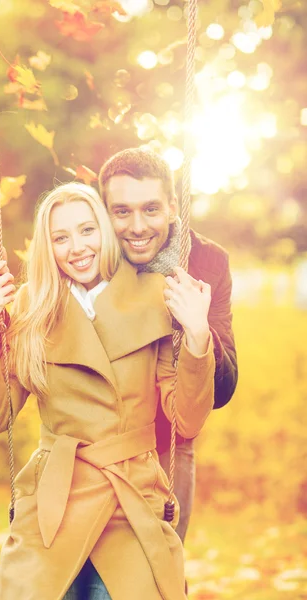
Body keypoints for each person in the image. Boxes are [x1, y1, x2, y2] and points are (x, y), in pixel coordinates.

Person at [0, 182, 215, 600]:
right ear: (48, 246)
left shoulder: (158, 296)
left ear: (104, 231)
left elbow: (187, 418)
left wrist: (197, 335)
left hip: (131, 500)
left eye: (86, 231)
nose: (77, 247)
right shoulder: (32, 306)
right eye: (61, 237)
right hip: (53, 502)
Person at [99, 148, 238, 544]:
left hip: (168, 446)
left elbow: (222, 391)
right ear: (104, 211)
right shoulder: (89, 256)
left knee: (163, 572)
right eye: (122, 211)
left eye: (151, 209)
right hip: (97, 447)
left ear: (174, 207)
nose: (138, 226)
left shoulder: (207, 262)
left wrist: (196, 332)